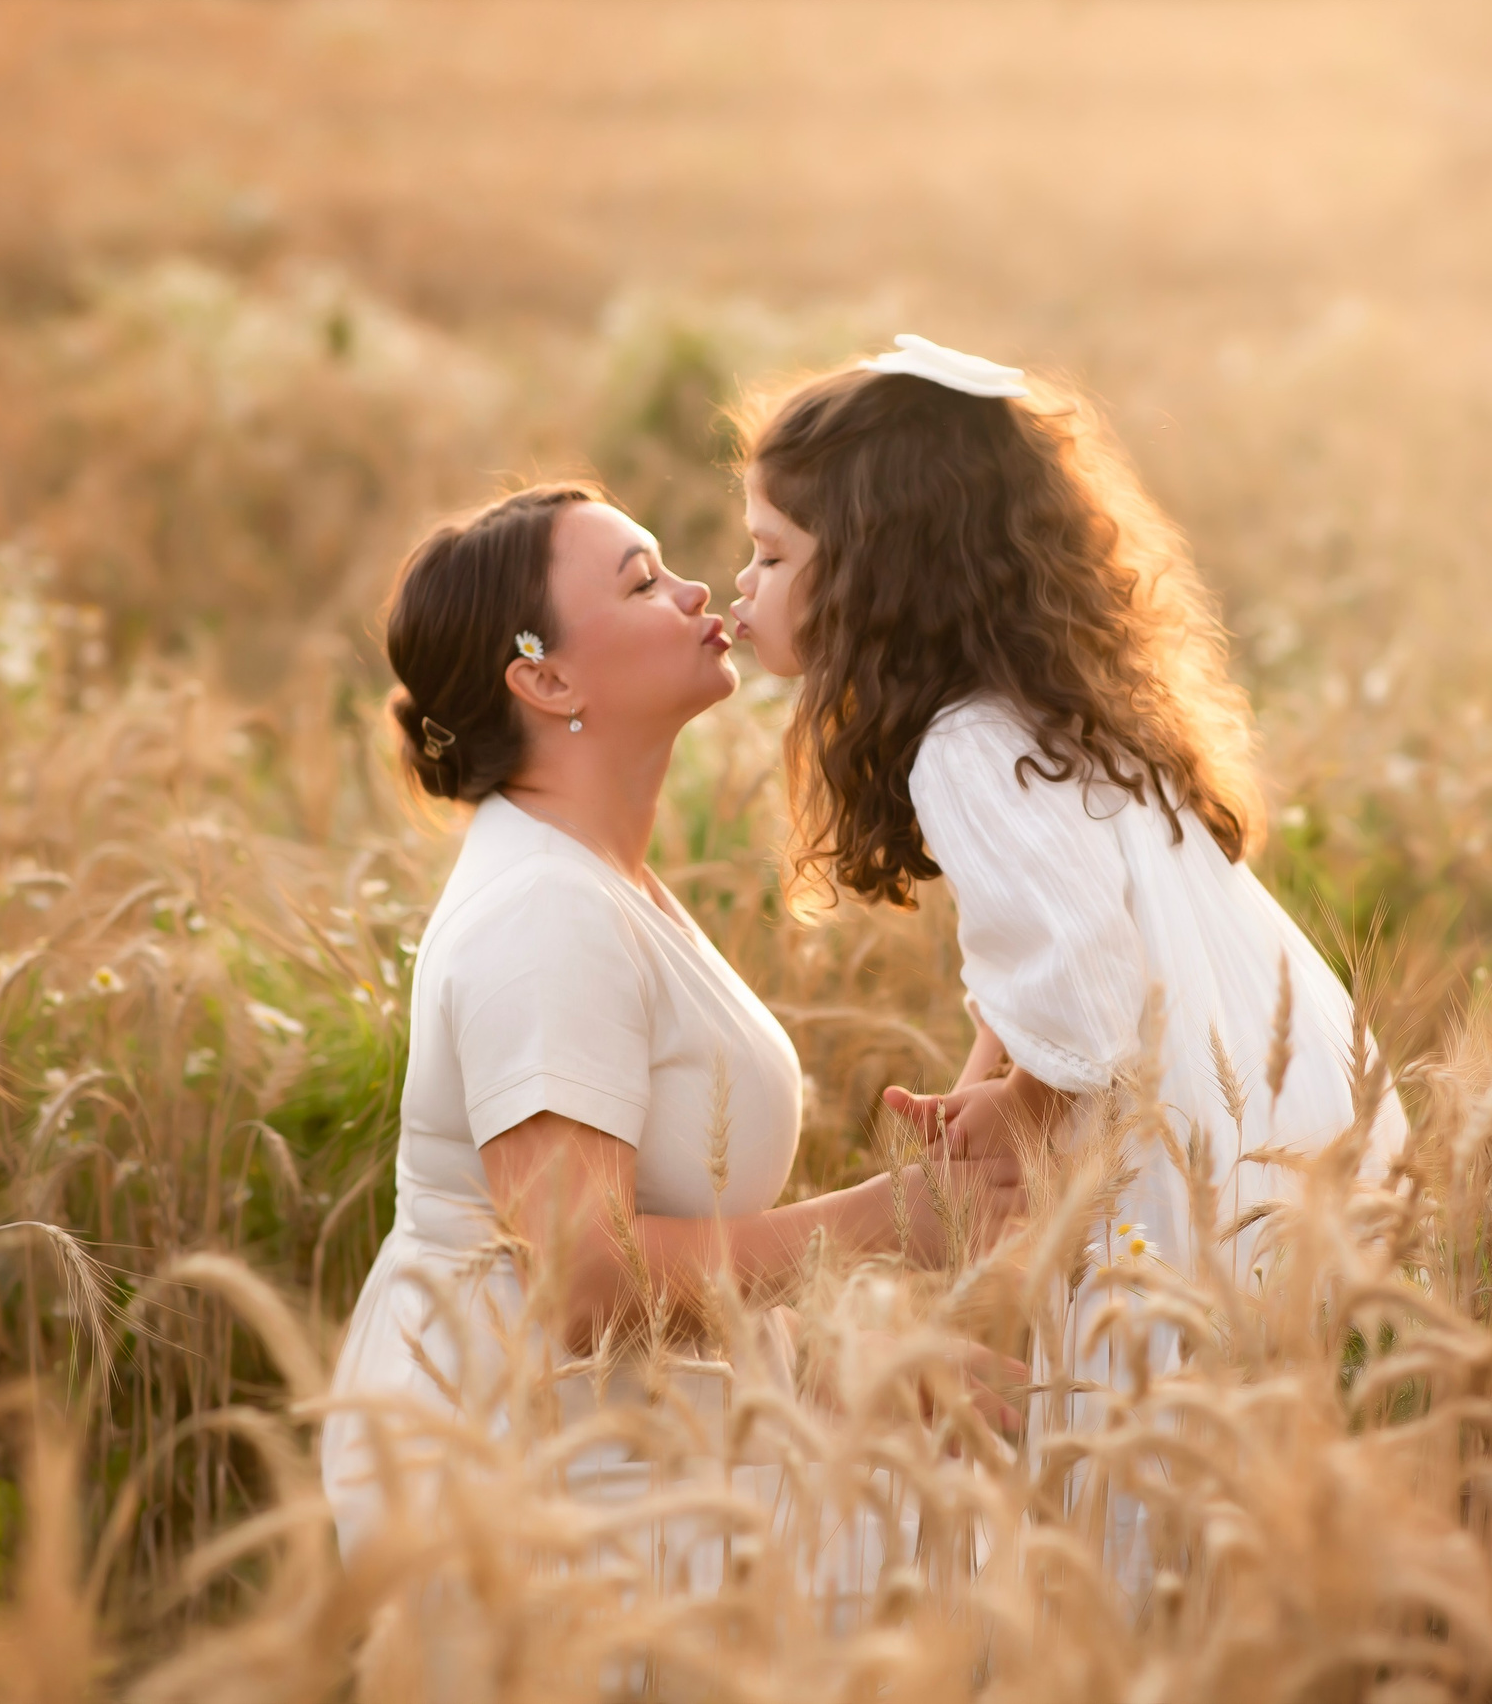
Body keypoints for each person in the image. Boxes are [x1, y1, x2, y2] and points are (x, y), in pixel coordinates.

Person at [319, 481, 1021, 1561]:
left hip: (628, 1447)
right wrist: (895, 1219)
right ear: (545, 678)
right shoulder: (544, 913)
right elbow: (585, 1281)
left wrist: (859, 1374)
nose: (697, 587)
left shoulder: (601, 879)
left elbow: (673, 1245)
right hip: (524, 1492)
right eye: (643, 580)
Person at [730, 336, 1405, 1291]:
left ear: (875, 573)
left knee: (1140, 1392)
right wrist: (986, 1093)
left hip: (1186, 1161)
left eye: (770, 552)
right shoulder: (1044, 720)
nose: (742, 584)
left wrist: (1029, 1109)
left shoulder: (965, 748)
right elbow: (1049, 954)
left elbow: (1082, 980)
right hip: (1269, 1111)